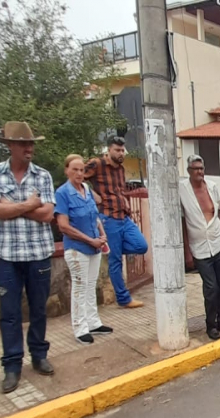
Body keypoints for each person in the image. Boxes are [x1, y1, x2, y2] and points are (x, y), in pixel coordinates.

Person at [0, 121, 57, 394]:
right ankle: (12, 365)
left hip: (37, 253)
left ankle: (38, 355)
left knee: (38, 308)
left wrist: (8, 206)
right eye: (24, 143)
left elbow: (47, 214)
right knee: (10, 313)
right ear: (10, 146)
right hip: (8, 255)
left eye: (32, 143)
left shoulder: (43, 176)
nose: (30, 148)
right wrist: (28, 205)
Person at [84, 136, 148, 309]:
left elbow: (120, 191)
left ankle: (115, 248)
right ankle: (123, 298)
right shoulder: (96, 164)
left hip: (124, 217)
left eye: (122, 150)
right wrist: (91, 193)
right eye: (117, 150)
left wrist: (126, 205)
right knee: (115, 261)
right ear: (109, 150)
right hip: (108, 217)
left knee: (141, 245)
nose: (121, 153)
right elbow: (76, 177)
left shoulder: (120, 169)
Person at [54, 154, 111, 345]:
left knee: (90, 285)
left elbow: (94, 215)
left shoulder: (86, 189)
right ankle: (80, 327)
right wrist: (90, 240)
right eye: (75, 170)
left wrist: (101, 236)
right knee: (79, 286)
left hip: (94, 245)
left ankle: (93, 322)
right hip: (78, 248)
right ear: (67, 171)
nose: (79, 174)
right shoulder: (63, 193)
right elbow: (64, 226)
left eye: (81, 170)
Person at [179, 155, 220, 341]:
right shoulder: (182, 190)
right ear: (189, 171)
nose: (200, 172)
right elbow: (182, 221)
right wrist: (187, 252)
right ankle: (210, 325)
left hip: (218, 242)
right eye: (196, 169)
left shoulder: (212, 187)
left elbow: (217, 211)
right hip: (199, 247)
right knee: (210, 288)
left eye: (202, 168)